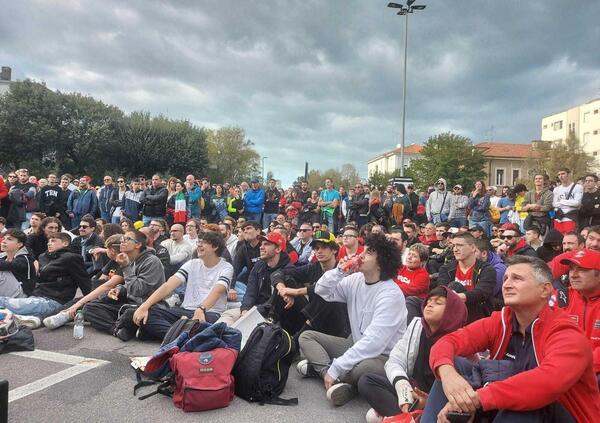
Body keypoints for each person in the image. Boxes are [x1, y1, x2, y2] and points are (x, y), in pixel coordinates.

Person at [423, 256, 600, 423]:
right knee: (453, 364)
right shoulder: (500, 321)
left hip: (564, 415)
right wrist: (448, 376)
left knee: (525, 403)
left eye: (517, 279)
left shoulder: (566, 333)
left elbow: (546, 383)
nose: (506, 284)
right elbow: (447, 342)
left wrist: (475, 399)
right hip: (505, 407)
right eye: (506, 278)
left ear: (545, 289)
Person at [297, 233, 406, 407]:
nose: (361, 255)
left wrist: (337, 366)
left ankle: (326, 371)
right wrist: (339, 271)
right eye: (364, 250)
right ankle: (333, 377)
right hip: (355, 343)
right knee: (306, 337)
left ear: (381, 262)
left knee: (364, 369)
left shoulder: (390, 294)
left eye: (369, 252)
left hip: (382, 356)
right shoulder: (356, 279)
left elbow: (374, 343)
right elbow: (322, 290)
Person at [358, 286, 468, 422]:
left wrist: (428, 401)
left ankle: (399, 416)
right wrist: (403, 388)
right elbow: (396, 359)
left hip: (440, 401)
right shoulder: (417, 325)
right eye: (429, 301)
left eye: (438, 302)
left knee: (372, 415)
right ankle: (409, 416)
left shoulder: (462, 340)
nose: (430, 304)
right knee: (367, 381)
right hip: (413, 390)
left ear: (452, 312)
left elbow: (464, 388)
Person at [131, 231, 233, 340]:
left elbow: (217, 291)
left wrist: (201, 309)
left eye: (203, 243)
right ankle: (183, 337)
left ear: (215, 247)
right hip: (185, 310)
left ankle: (171, 334)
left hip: (210, 312)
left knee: (203, 326)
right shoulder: (192, 263)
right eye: (198, 242)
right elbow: (168, 285)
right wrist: (145, 306)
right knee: (148, 314)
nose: (198, 245)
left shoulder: (226, 267)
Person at [81, 230, 165, 335]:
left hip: (147, 307)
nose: (122, 242)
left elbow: (138, 290)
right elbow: (129, 285)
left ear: (138, 244)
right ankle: (116, 329)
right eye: (121, 239)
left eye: (127, 239)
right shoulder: (131, 260)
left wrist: (125, 267)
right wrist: (119, 289)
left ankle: (124, 326)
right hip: (129, 304)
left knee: (129, 314)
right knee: (89, 307)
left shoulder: (152, 261)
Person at [0, 233, 91, 328]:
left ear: (65, 243)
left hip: (53, 301)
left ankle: (23, 318)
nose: (49, 243)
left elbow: (84, 282)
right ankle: (24, 319)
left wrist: (89, 301)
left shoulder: (72, 258)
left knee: (2, 302)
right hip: (35, 298)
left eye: (53, 241)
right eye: (48, 241)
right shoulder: (43, 257)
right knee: (6, 307)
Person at [272, 230, 350, 338]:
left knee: (325, 296)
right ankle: (277, 331)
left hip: (336, 324)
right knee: (287, 281)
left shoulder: (342, 270)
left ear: (334, 250)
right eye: (316, 248)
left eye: (324, 247)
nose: (319, 251)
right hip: (313, 317)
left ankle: (294, 343)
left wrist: (296, 292)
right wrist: (282, 289)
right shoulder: (314, 267)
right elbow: (279, 272)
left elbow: (326, 288)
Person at [558, 249, 600, 382]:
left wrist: (578, 369)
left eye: (581, 270)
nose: (573, 275)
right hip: (566, 366)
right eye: (571, 269)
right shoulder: (563, 296)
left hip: (591, 371)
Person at [436, 232, 497, 323]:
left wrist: (455, 297)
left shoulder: (487, 269)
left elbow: (481, 293)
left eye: (459, 245)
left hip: (478, 314)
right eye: (453, 246)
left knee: (454, 287)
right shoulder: (446, 269)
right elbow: (442, 290)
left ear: (472, 248)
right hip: (451, 311)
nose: (455, 249)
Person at [0, 229, 36, 298]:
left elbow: (10, 265)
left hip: (23, 294)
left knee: (2, 272)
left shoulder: (24, 258)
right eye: (4, 238)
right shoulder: (2, 256)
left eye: (9, 239)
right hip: (9, 292)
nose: (4, 241)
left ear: (19, 244)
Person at [552, 167, 583, 235]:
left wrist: (561, 201)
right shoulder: (556, 189)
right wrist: (569, 203)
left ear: (569, 175)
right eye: (559, 174)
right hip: (558, 219)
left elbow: (577, 203)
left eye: (563, 174)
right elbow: (554, 204)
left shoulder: (578, 187)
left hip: (571, 219)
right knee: (558, 241)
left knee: (569, 240)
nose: (561, 176)